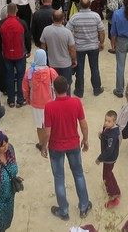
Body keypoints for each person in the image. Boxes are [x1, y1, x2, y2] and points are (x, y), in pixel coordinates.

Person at [41, 76, 92, 221]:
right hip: (73, 145)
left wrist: (44, 147)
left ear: (54, 89)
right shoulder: (76, 102)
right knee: (79, 174)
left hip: (56, 147)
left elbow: (47, 132)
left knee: (59, 178)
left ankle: (63, 210)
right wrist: (86, 139)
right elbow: (83, 124)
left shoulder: (49, 107)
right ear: (68, 87)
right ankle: (83, 206)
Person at [68, 0, 105, 97]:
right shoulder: (96, 16)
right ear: (90, 4)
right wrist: (101, 43)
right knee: (95, 68)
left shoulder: (74, 17)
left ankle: (79, 91)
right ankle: (97, 89)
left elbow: (68, 31)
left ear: (79, 4)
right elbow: (101, 31)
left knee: (79, 69)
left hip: (79, 47)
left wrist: (72, 44)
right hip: (93, 46)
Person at [22, 49, 58, 149]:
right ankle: (52, 142)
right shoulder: (51, 72)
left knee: (39, 125)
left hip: (36, 104)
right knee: (51, 124)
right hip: (50, 103)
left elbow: (25, 88)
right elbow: (58, 85)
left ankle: (42, 144)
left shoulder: (30, 72)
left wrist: (27, 98)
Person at [0, 3, 30, 107]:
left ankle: (11, 100)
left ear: (7, 12)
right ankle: (20, 100)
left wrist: (1, 51)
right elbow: (27, 38)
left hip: (7, 55)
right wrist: (28, 50)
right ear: (16, 10)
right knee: (20, 77)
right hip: (20, 54)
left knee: (9, 77)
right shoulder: (22, 23)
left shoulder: (1, 24)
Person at [40, 9, 76, 83]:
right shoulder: (67, 32)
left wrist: (46, 57)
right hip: (65, 64)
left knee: (53, 85)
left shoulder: (46, 30)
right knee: (66, 85)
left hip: (52, 63)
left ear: (52, 18)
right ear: (63, 19)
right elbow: (72, 49)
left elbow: (42, 46)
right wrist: (73, 60)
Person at [97, 109, 122, 209]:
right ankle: (116, 191)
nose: (106, 123)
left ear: (114, 121)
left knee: (106, 176)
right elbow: (105, 137)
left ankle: (113, 197)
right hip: (108, 158)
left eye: (109, 121)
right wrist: (101, 136)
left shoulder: (113, 134)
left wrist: (100, 158)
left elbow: (109, 150)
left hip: (109, 158)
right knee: (108, 173)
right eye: (105, 120)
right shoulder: (108, 129)